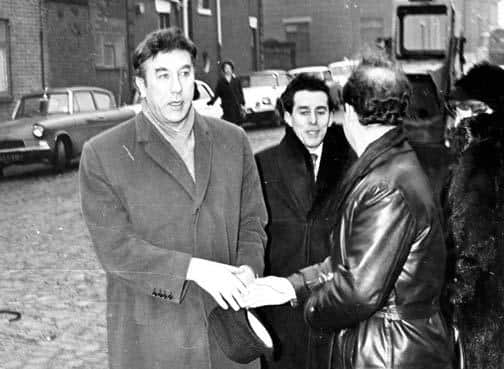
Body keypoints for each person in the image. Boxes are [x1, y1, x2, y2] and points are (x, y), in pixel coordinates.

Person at [244, 56, 453, 369]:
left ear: (350, 112)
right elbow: (356, 262)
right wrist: (292, 286)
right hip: (390, 345)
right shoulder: (393, 165)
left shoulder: (384, 184)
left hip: (388, 353)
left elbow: (358, 290)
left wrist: (308, 311)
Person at [79, 27, 267, 369]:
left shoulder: (234, 141)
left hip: (229, 340)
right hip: (153, 345)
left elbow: (252, 222)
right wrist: (194, 269)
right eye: (162, 76)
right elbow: (117, 250)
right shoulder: (103, 154)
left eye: (185, 73)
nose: (177, 88)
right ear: (141, 86)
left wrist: (249, 268)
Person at [255, 74, 354, 369]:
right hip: (282, 307)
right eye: (304, 112)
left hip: (333, 304)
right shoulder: (262, 165)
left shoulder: (352, 163)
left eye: (320, 112)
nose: (313, 121)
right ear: (287, 116)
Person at [444, 62, 504, 369]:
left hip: (484, 314)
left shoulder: (478, 159)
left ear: (482, 110)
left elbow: (474, 245)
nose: (454, 116)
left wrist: (452, 301)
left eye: (462, 107)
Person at [208, 60, 246, 125]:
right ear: (223, 70)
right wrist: (212, 101)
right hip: (227, 106)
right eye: (226, 68)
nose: (228, 70)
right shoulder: (221, 81)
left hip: (236, 105)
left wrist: (242, 103)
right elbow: (217, 93)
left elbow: (240, 92)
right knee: (229, 122)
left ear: (232, 69)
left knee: (238, 122)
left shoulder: (236, 80)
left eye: (229, 68)